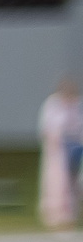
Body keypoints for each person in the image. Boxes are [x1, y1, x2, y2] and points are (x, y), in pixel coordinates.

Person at [41, 77, 81, 230]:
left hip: (74, 148)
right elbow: (49, 128)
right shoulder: (53, 104)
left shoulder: (76, 104)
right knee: (57, 183)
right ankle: (55, 216)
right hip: (57, 150)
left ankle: (70, 216)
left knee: (73, 182)